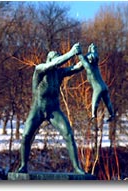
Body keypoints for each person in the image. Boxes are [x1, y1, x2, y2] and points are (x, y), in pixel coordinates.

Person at [17, 43, 85, 174]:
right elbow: (52, 65)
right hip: (37, 110)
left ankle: (77, 168)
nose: (59, 63)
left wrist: (87, 58)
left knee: (69, 134)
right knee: (26, 136)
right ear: (49, 60)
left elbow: (76, 68)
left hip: (54, 110)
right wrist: (71, 53)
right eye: (56, 59)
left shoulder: (58, 73)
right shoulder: (40, 69)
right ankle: (23, 165)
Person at [78, 43, 115, 122]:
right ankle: (112, 114)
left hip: (98, 87)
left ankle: (93, 115)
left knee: (95, 101)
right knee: (107, 101)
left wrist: (78, 53)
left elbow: (83, 60)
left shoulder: (89, 68)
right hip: (104, 86)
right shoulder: (96, 66)